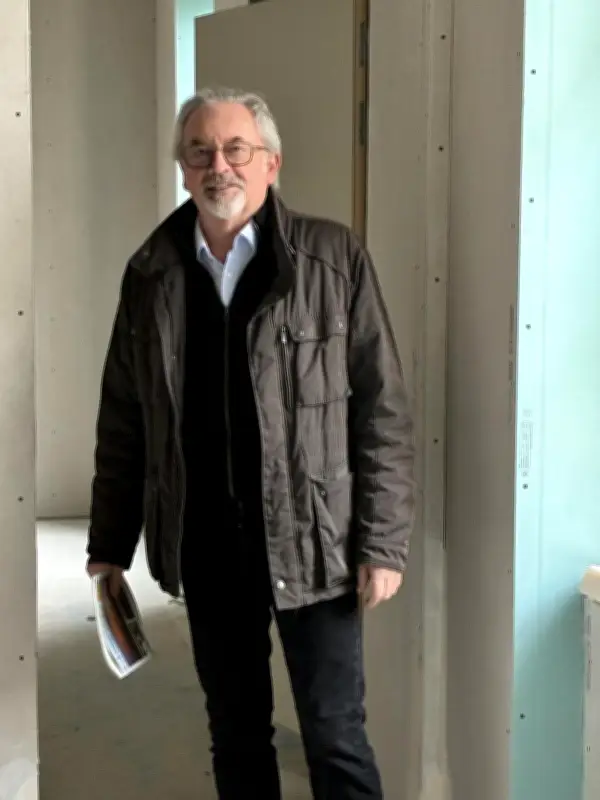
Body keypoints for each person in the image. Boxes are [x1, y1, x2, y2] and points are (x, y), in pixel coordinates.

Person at [86, 86, 415, 800]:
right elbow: (125, 419)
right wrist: (109, 545)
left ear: (271, 162)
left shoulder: (333, 258)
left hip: (316, 540)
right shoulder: (150, 273)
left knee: (334, 733)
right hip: (208, 543)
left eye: (236, 149)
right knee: (235, 734)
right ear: (182, 168)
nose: (219, 166)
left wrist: (383, 542)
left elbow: (382, 409)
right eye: (200, 152)